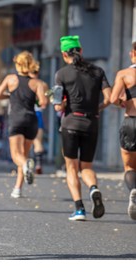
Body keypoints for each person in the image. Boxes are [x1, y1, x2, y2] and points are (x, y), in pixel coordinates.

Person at [53, 36, 111, 221]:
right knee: (86, 166)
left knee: (71, 167)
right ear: (81, 51)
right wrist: (96, 109)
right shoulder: (98, 71)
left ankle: (79, 209)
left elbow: (57, 105)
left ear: (64, 54)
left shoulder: (61, 74)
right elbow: (109, 98)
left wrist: (62, 105)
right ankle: (93, 189)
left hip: (70, 123)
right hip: (91, 123)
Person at [0, 51, 48, 199]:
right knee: (24, 155)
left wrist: (11, 95)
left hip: (16, 120)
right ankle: (17, 189)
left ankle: (25, 167)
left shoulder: (10, 79)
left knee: (17, 156)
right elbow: (43, 103)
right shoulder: (37, 83)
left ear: (17, 64)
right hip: (31, 121)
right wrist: (35, 98)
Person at [110, 41, 136, 220]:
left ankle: (134, 190)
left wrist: (122, 103)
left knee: (129, 166)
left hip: (131, 122)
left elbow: (113, 99)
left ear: (133, 53)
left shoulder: (124, 74)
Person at [29, 60, 49, 174]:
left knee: (24, 143)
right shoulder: (43, 85)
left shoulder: (25, 82)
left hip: (26, 113)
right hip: (38, 113)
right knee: (38, 142)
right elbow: (46, 102)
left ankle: (24, 165)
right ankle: (38, 163)